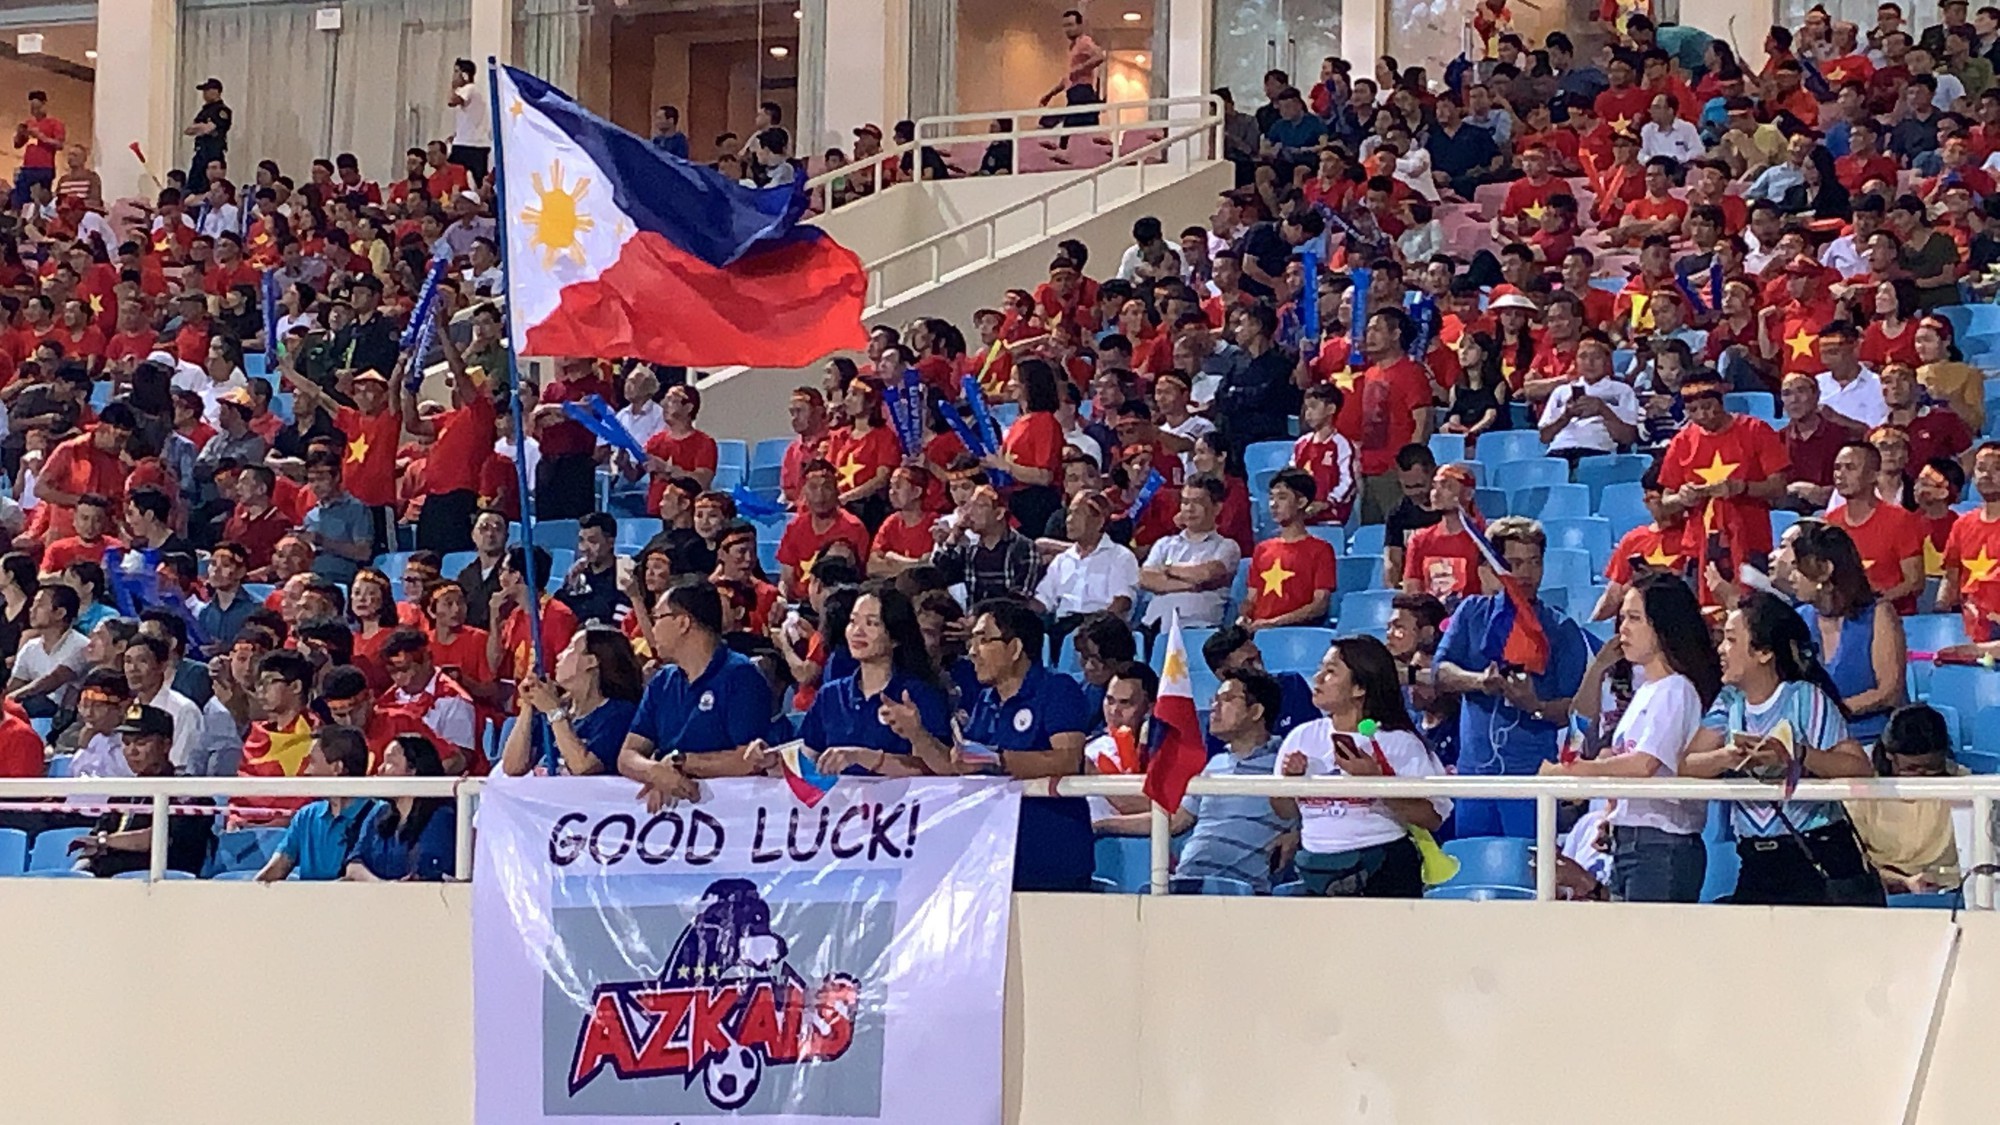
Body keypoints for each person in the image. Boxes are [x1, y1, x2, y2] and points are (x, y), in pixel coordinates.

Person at [1682, 591, 1879, 904]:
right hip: (1756, 859)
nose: (1721, 649)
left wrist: (1795, 754)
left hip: (1816, 854)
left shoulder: (1804, 698)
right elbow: (1688, 764)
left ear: (1763, 653)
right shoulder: (1729, 701)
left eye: (1731, 640)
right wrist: (1729, 756)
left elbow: (1858, 766)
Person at [1543, 573, 1721, 902]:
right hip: (1634, 839)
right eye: (1623, 617)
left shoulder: (1676, 689)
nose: (1622, 628)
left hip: (1661, 843)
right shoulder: (1649, 691)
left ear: (1663, 627)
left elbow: (1644, 764)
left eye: (1635, 619)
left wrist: (1575, 770)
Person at [903, 597, 1093, 891]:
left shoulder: (1057, 690)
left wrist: (997, 761)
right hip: (993, 859)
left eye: (982, 640)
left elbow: (1067, 760)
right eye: (971, 642)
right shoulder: (985, 700)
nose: (972, 652)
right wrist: (916, 733)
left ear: (1015, 648)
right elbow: (959, 765)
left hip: (1051, 856)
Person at [1433, 517, 1591, 837]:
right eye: (1515, 563)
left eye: (1534, 562)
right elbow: (1440, 672)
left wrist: (1534, 704)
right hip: (1475, 776)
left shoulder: (1561, 628)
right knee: (1475, 868)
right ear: (1494, 567)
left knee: (1531, 874)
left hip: (1532, 778)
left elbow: (1572, 710)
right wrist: (1480, 682)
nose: (1526, 573)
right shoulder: (1471, 612)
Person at [1270, 637, 1450, 898]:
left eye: (1331, 672)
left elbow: (1432, 817)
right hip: (1313, 868)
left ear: (1359, 688)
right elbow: (1284, 811)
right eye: (1321, 669)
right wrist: (1291, 781)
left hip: (1382, 869)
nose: (1317, 678)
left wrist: (1376, 781)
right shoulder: (1302, 736)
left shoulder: (1398, 742)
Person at [618, 577, 774, 809]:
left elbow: (749, 760)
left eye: (657, 618)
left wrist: (682, 764)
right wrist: (655, 772)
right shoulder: (663, 681)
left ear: (683, 623)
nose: (652, 629)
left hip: (732, 815)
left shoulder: (741, 676)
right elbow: (628, 755)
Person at [1789, 521, 1906, 743]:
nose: (1792, 577)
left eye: (1798, 568)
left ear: (1825, 570)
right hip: (1817, 747)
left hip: (1873, 743)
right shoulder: (1798, 619)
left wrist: (1828, 713)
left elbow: (1889, 693)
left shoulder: (1880, 614)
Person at [69, 705, 215, 878]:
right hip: (108, 884)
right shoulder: (123, 793)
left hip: (165, 885)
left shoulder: (188, 791)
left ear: (166, 745)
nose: (132, 751)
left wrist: (104, 841)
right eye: (126, 743)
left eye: (141, 742)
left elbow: (157, 837)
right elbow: (96, 836)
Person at [1848, 704, 1964, 895]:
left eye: (1931, 767)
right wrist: (1901, 881)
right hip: (1881, 886)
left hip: (1948, 888)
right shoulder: (1863, 789)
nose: (1921, 775)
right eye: (1911, 768)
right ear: (1889, 755)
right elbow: (1854, 858)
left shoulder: (1965, 786)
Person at [500, 625, 645, 777]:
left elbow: (583, 767)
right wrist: (528, 705)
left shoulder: (618, 713)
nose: (559, 656)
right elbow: (512, 767)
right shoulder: (551, 709)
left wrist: (554, 712)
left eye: (570, 648)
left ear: (591, 661)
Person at [255, 725, 381, 882]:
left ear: (337, 768)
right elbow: (275, 869)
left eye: (312, 762)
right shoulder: (306, 816)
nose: (306, 771)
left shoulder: (380, 815)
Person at [1825, 441, 1926, 613]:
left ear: (1873, 475)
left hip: (1894, 618)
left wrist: (1875, 603)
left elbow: (1915, 582)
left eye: (1850, 468)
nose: (1840, 474)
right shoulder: (1831, 521)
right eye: (1837, 467)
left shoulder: (1900, 520)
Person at [345, 733, 457, 882]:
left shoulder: (441, 816)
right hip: (373, 900)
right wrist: (382, 887)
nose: (380, 769)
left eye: (390, 762)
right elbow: (354, 864)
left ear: (413, 770)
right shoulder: (378, 812)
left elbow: (427, 871)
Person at [1138, 474, 1242, 630]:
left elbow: (1206, 574)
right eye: (1185, 502)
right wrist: (1191, 585)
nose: (1189, 509)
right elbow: (1145, 578)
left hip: (1198, 628)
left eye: (1198, 502)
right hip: (1153, 626)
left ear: (1217, 508)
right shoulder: (1164, 544)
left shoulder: (1227, 546)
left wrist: (1166, 570)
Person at [1238, 468, 1336, 630]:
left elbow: (1319, 605)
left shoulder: (1321, 550)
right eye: (1271, 497)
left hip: (1297, 633)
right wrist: (1244, 617)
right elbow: (1252, 598)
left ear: (1301, 502)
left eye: (1282, 497)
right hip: (1258, 633)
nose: (1273, 504)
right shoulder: (1262, 549)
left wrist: (1274, 623)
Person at [1034, 490, 1139, 632]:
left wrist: (1094, 626)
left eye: (1077, 513)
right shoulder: (1062, 560)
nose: (1069, 520)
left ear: (1099, 521)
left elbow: (1122, 602)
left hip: (1100, 630)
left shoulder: (1120, 557)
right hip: (1064, 627)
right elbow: (1043, 601)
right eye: (1069, 513)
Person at [930, 483, 1046, 605]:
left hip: (1007, 619)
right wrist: (955, 535)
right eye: (970, 507)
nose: (970, 513)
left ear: (999, 513)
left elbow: (1020, 596)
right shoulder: (970, 549)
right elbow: (940, 570)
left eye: (980, 506)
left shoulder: (1024, 548)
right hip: (973, 617)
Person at [380, 628, 479, 769]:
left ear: (427, 659)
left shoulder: (453, 700)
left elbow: (461, 759)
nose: (399, 677)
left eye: (405, 669)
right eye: (392, 671)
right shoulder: (386, 700)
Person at [1536, 331, 1641, 462]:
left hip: (1597, 453)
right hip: (1559, 452)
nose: (1589, 362)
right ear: (1575, 362)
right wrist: (1566, 416)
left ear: (1607, 361)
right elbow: (1544, 437)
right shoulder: (1561, 392)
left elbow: (1628, 438)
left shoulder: (1622, 391)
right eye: (1583, 357)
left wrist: (1603, 410)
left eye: (1596, 357)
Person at [7, 584, 83, 717]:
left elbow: (52, 680)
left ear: (60, 613)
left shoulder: (80, 645)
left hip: (63, 716)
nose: (32, 610)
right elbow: (15, 684)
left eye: (39, 605)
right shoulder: (30, 647)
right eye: (32, 604)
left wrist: (10, 699)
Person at [445, 58, 491, 183]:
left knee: (453, 175)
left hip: (468, 145)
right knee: (475, 178)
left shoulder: (469, 89)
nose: (454, 75)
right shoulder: (474, 91)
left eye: (456, 72)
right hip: (471, 142)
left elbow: (452, 101)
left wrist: (453, 86)